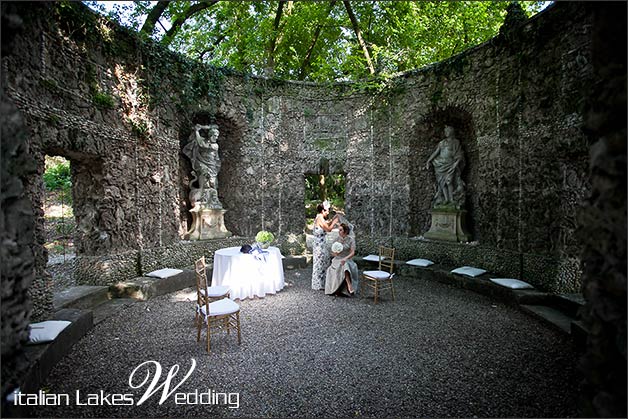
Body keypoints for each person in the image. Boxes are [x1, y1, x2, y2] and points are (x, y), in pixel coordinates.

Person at [182, 124, 222, 211]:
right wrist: (197, 130)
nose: (216, 138)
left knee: (213, 185)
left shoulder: (215, 145)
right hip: (202, 164)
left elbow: (202, 145)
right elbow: (200, 143)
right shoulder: (204, 141)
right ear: (210, 135)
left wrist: (198, 130)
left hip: (212, 166)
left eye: (217, 136)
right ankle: (204, 201)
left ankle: (213, 201)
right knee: (205, 183)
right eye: (214, 135)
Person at [425, 125, 466, 208]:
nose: (445, 133)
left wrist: (456, 164)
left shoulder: (455, 142)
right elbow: (436, 153)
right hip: (440, 165)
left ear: (451, 132)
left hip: (450, 164)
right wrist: (428, 161)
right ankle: (446, 199)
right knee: (442, 183)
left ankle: (451, 199)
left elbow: (459, 154)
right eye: (445, 131)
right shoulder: (442, 143)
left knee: (449, 181)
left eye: (447, 131)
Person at [325, 223, 359, 297]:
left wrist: (345, 258)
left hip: (347, 258)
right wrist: (335, 253)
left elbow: (352, 253)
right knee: (343, 264)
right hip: (337, 259)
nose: (339, 232)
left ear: (345, 231)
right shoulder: (336, 239)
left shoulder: (351, 240)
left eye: (340, 230)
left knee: (345, 264)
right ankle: (348, 285)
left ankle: (348, 284)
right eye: (339, 230)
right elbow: (333, 253)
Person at [311, 202, 339, 290]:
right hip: (319, 245)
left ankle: (321, 283)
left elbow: (326, 225)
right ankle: (319, 284)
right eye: (327, 210)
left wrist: (332, 220)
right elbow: (328, 229)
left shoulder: (319, 217)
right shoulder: (320, 218)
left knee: (322, 263)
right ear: (322, 210)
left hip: (319, 244)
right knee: (320, 263)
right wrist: (335, 221)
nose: (328, 212)